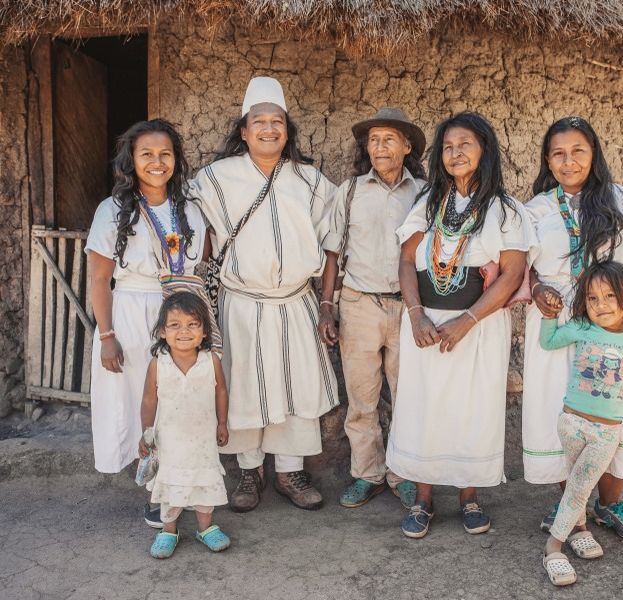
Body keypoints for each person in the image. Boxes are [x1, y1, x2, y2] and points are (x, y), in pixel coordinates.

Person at [522, 116, 623, 542]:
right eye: (557, 153)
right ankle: (570, 497)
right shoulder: (535, 210)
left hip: (617, 316)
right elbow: (522, 271)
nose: (567, 161)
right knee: (559, 406)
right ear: (547, 159)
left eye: (578, 151)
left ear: (594, 154)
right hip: (559, 318)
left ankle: (609, 504)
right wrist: (536, 290)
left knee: (620, 404)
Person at [191, 76, 338, 512]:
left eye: (278, 121)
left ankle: (291, 471)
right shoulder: (216, 179)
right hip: (240, 303)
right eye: (260, 121)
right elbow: (200, 234)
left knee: (296, 390)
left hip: (296, 303)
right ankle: (249, 473)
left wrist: (326, 303)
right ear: (243, 129)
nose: (269, 129)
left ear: (288, 131)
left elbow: (332, 245)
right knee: (244, 387)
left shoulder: (311, 182)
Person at [385, 112, 530, 538]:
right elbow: (408, 261)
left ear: (484, 149)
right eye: (448, 147)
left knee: (473, 407)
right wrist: (415, 315)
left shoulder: (506, 211)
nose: (455, 153)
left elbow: (511, 274)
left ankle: (469, 497)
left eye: (465, 144)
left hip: (479, 328)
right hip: (427, 327)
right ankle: (424, 499)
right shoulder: (429, 204)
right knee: (423, 406)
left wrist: (467, 320)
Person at [86, 119, 207, 528]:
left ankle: (179, 483)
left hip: (179, 312)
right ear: (131, 160)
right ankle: (156, 491)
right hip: (132, 312)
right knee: (142, 400)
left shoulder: (189, 209)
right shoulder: (113, 211)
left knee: (178, 399)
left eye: (165, 154)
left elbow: (198, 267)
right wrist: (106, 336)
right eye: (146, 154)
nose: (157, 162)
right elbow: (100, 279)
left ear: (176, 159)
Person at [538, 262, 623, 585]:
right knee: (577, 483)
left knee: (579, 486)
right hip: (570, 423)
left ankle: (553, 546)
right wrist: (547, 318)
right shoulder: (584, 327)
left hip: (606, 433)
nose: (600, 305)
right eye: (592, 298)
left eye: (609, 296)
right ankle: (578, 529)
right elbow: (550, 341)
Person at [317, 108, 426, 509]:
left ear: (407, 146)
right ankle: (367, 474)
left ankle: (404, 475)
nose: (379, 147)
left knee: (406, 397)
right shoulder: (349, 191)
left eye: (389, 139)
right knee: (362, 400)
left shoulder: (426, 193)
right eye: (373, 140)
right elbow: (333, 253)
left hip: (408, 308)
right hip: (359, 305)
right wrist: (327, 307)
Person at [139, 292, 231, 559]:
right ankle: (168, 530)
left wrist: (222, 423)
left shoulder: (210, 361)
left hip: (202, 440)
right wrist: (147, 433)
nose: (184, 331)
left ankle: (206, 527)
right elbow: (148, 400)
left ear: (204, 331)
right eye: (175, 325)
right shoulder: (158, 364)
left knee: (204, 481)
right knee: (171, 484)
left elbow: (221, 392)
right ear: (162, 331)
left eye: (193, 324)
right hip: (170, 441)